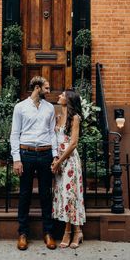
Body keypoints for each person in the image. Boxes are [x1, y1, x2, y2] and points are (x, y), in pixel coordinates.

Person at [10, 76, 58, 251]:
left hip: (45, 154)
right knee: (25, 195)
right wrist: (16, 159)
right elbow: (14, 134)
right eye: (46, 87)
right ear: (37, 88)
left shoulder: (50, 108)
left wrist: (55, 156)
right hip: (26, 154)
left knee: (46, 194)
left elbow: (52, 133)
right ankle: (22, 233)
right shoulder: (20, 107)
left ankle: (48, 233)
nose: (49, 90)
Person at [51, 89, 86, 249]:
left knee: (71, 194)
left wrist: (60, 162)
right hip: (59, 159)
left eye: (63, 95)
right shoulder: (58, 117)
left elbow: (73, 144)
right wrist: (55, 159)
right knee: (64, 195)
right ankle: (77, 231)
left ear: (69, 100)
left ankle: (69, 232)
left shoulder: (75, 118)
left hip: (70, 160)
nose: (59, 96)